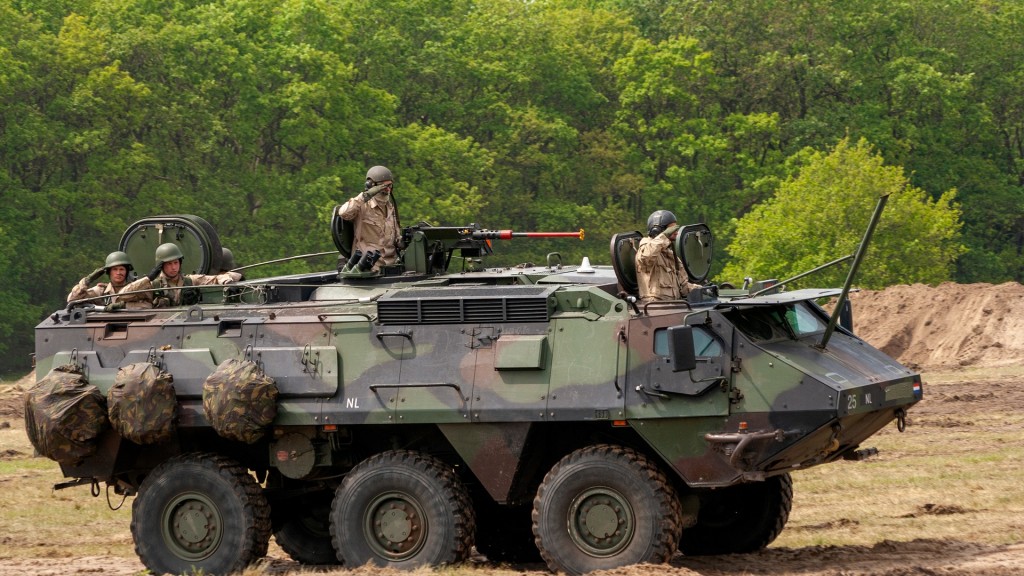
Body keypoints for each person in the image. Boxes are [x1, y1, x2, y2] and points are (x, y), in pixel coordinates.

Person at [117, 243, 242, 308]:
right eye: (169, 263)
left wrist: (227, 282)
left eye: (176, 262)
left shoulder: (190, 281)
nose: (173, 267)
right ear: (161, 265)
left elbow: (215, 278)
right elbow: (122, 295)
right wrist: (148, 278)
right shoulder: (152, 286)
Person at [336, 165, 402, 271]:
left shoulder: (391, 208)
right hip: (369, 268)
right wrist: (366, 195)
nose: (387, 189)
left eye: (390, 186)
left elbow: (396, 238)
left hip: (392, 267)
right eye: (383, 186)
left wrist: (402, 242)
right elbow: (343, 212)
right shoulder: (362, 207)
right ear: (371, 185)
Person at [635, 210, 701, 304]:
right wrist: (664, 236)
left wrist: (701, 290)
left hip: (673, 307)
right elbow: (646, 257)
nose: (676, 233)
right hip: (655, 308)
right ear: (657, 231)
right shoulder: (645, 248)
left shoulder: (670, 255)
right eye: (672, 229)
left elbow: (683, 287)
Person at [67, 251, 135, 305]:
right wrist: (88, 280)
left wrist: (124, 305)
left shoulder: (135, 289)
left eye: (122, 269)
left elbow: (144, 305)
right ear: (109, 272)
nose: (118, 273)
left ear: (126, 271)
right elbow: (72, 299)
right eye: (115, 269)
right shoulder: (101, 291)